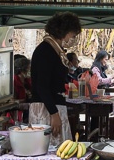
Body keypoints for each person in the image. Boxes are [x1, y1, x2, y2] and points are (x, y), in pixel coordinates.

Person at [31, 12, 82, 145]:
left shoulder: (56, 50)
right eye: (73, 35)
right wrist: (54, 114)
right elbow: (41, 86)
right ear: (64, 31)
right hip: (46, 109)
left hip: (55, 106)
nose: (74, 39)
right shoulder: (45, 51)